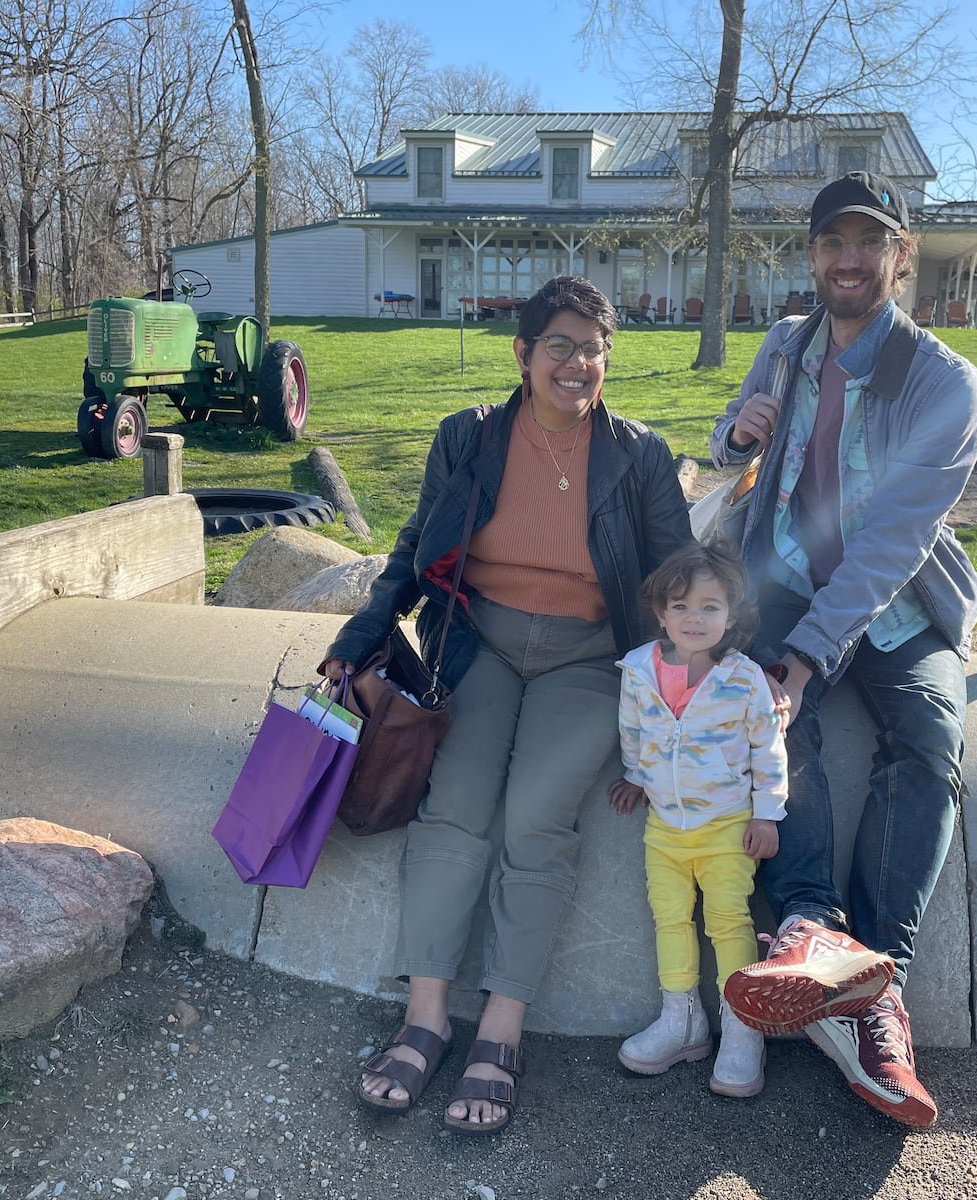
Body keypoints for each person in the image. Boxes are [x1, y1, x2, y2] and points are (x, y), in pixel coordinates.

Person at [321, 274, 693, 1135]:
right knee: (454, 809)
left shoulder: (638, 455)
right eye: (558, 345)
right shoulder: (469, 439)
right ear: (522, 355)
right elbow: (417, 548)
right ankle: (423, 1018)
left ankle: (500, 1028)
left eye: (593, 349)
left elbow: (676, 577)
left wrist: (710, 677)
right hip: (479, 643)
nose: (577, 363)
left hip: (591, 660)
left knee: (534, 817)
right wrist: (367, 624)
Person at [711, 171, 977, 1128]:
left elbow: (890, 546)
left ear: (900, 256)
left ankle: (876, 991)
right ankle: (808, 931)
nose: (850, 260)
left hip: (894, 600)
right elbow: (730, 447)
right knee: (770, 721)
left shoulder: (944, 383)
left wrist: (808, 656)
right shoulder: (785, 343)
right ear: (813, 256)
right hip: (781, 574)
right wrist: (729, 431)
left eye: (871, 243)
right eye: (833, 243)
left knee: (930, 739)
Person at [608, 541, 787, 1099]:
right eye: (681, 606)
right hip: (664, 828)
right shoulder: (639, 669)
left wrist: (768, 814)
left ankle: (742, 1028)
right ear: (661, 613)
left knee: (729, 922)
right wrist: (635, 775)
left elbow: (769, 748)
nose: (694, 618)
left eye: (710, 607)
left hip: (727, 828)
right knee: (669, 919)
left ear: (731, 617)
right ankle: (680, 1021)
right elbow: (632, 728)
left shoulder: (745, 678)